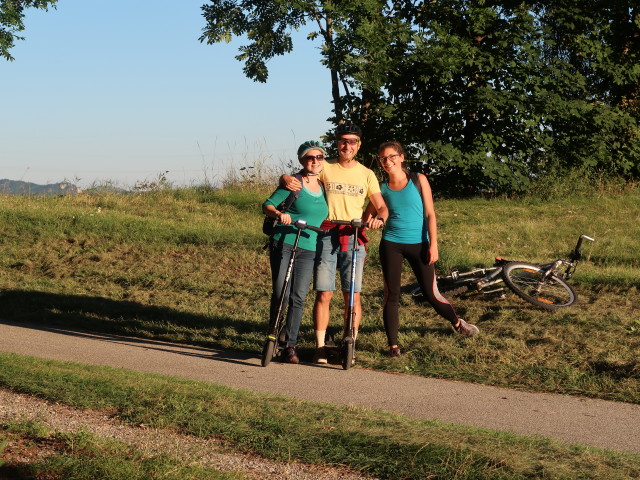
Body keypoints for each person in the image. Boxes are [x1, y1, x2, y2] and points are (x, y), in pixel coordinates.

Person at [282, 122, 388, 364]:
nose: (347, 146)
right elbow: (301, 176)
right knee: (324, 292)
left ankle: (349, 342)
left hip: (353, 235)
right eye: (343, 141)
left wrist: (380, 219)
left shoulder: (367, 174)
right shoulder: (326, 167)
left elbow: (381, 205)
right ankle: (320, 346)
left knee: (352, 294)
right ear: (337, 144)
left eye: (352, 142)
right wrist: (285, 176)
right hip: (327, 234)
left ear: (359, 145)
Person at [368, 141, 479, 358]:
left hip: (420, 243)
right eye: (383, 158)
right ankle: (393, 346)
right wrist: (373, 221)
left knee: (430, 293)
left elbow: (430, 214)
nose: (387, 162)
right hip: (391, 243)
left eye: (391, 157)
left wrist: (434, 245)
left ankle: (457, 323)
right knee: (392, 295)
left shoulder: (418, 180)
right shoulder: (381, 188)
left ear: (401, 157)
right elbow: (370, 214)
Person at [262, 140, 329, 364]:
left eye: (319, 157)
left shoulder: (324, 187)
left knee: (298, 297)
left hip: (309, 247)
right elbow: (268, 205)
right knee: (281, 293)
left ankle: (290, 345)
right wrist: (279, 215)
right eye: (310, 158)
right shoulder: (294, 183)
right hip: (285, 241)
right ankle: (271, 336)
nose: (315, 161)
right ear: (302, 160)